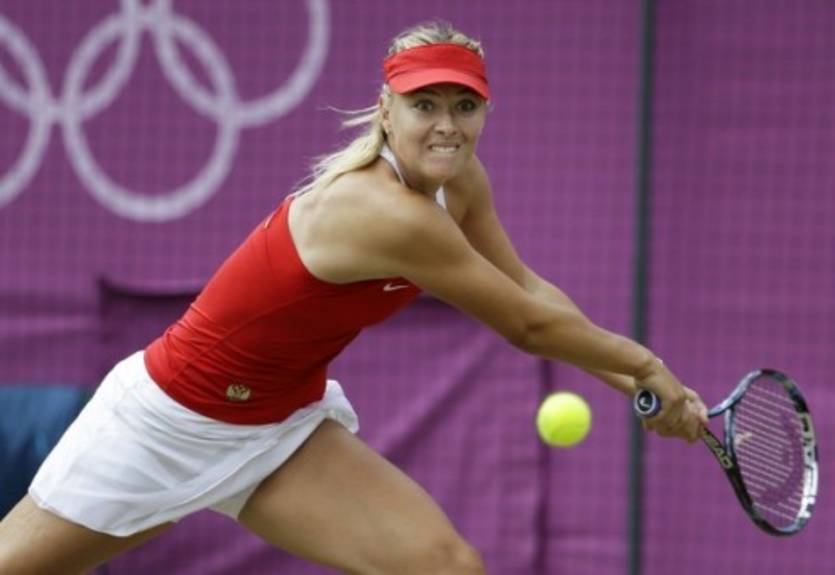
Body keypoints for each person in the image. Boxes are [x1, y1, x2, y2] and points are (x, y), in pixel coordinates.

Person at [0, 21, 708, 575]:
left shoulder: (459, 181)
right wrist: (646, 366)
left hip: (279, 428)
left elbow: (525, 286)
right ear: (386, 111)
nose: (447, 125)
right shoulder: (383, 212)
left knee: (446, 567)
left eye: (464, 106)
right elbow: (525, 324)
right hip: (167, 425)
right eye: (424, 104)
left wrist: (634, 384)